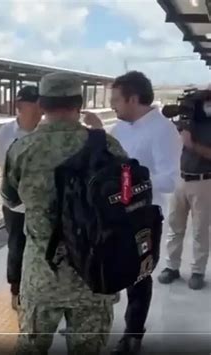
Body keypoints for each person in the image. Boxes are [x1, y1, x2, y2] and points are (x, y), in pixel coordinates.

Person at [2, 72, 127, 355]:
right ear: (79, 103)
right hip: (96, 276)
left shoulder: (22, 149)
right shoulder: (108, 146)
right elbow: (127, 200)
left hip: (42, 277)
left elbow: (10, 200)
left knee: (31, 348)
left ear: (42, 104)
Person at [84, 71, 182, 355]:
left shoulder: (163, 131)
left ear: (133, 98)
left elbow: (172, 181)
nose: (112, 104)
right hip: (114, 216)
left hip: (143, 218)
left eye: (116, 99)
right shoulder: (120, 128)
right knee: (108, 267)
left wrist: (132, 181)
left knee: (139, 277)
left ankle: (133, 334)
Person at [0, 85, 42, 310]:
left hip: (41, 205)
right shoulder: (6, 133)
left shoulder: (45, 133)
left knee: (41, 248)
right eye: (33, 110)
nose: (38, 115)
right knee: (16, 247)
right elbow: (4, 166)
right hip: (15, 205)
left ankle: (38, 289)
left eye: (40, 110)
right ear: (19, 107)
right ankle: (16, 290)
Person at [157, 105, 211, 290]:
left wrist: (191, 145)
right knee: (174, 225)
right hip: (180, 179)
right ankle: (172, 267)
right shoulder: (187, 122)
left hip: (204, 182)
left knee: (200, 229)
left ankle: (198, 271)